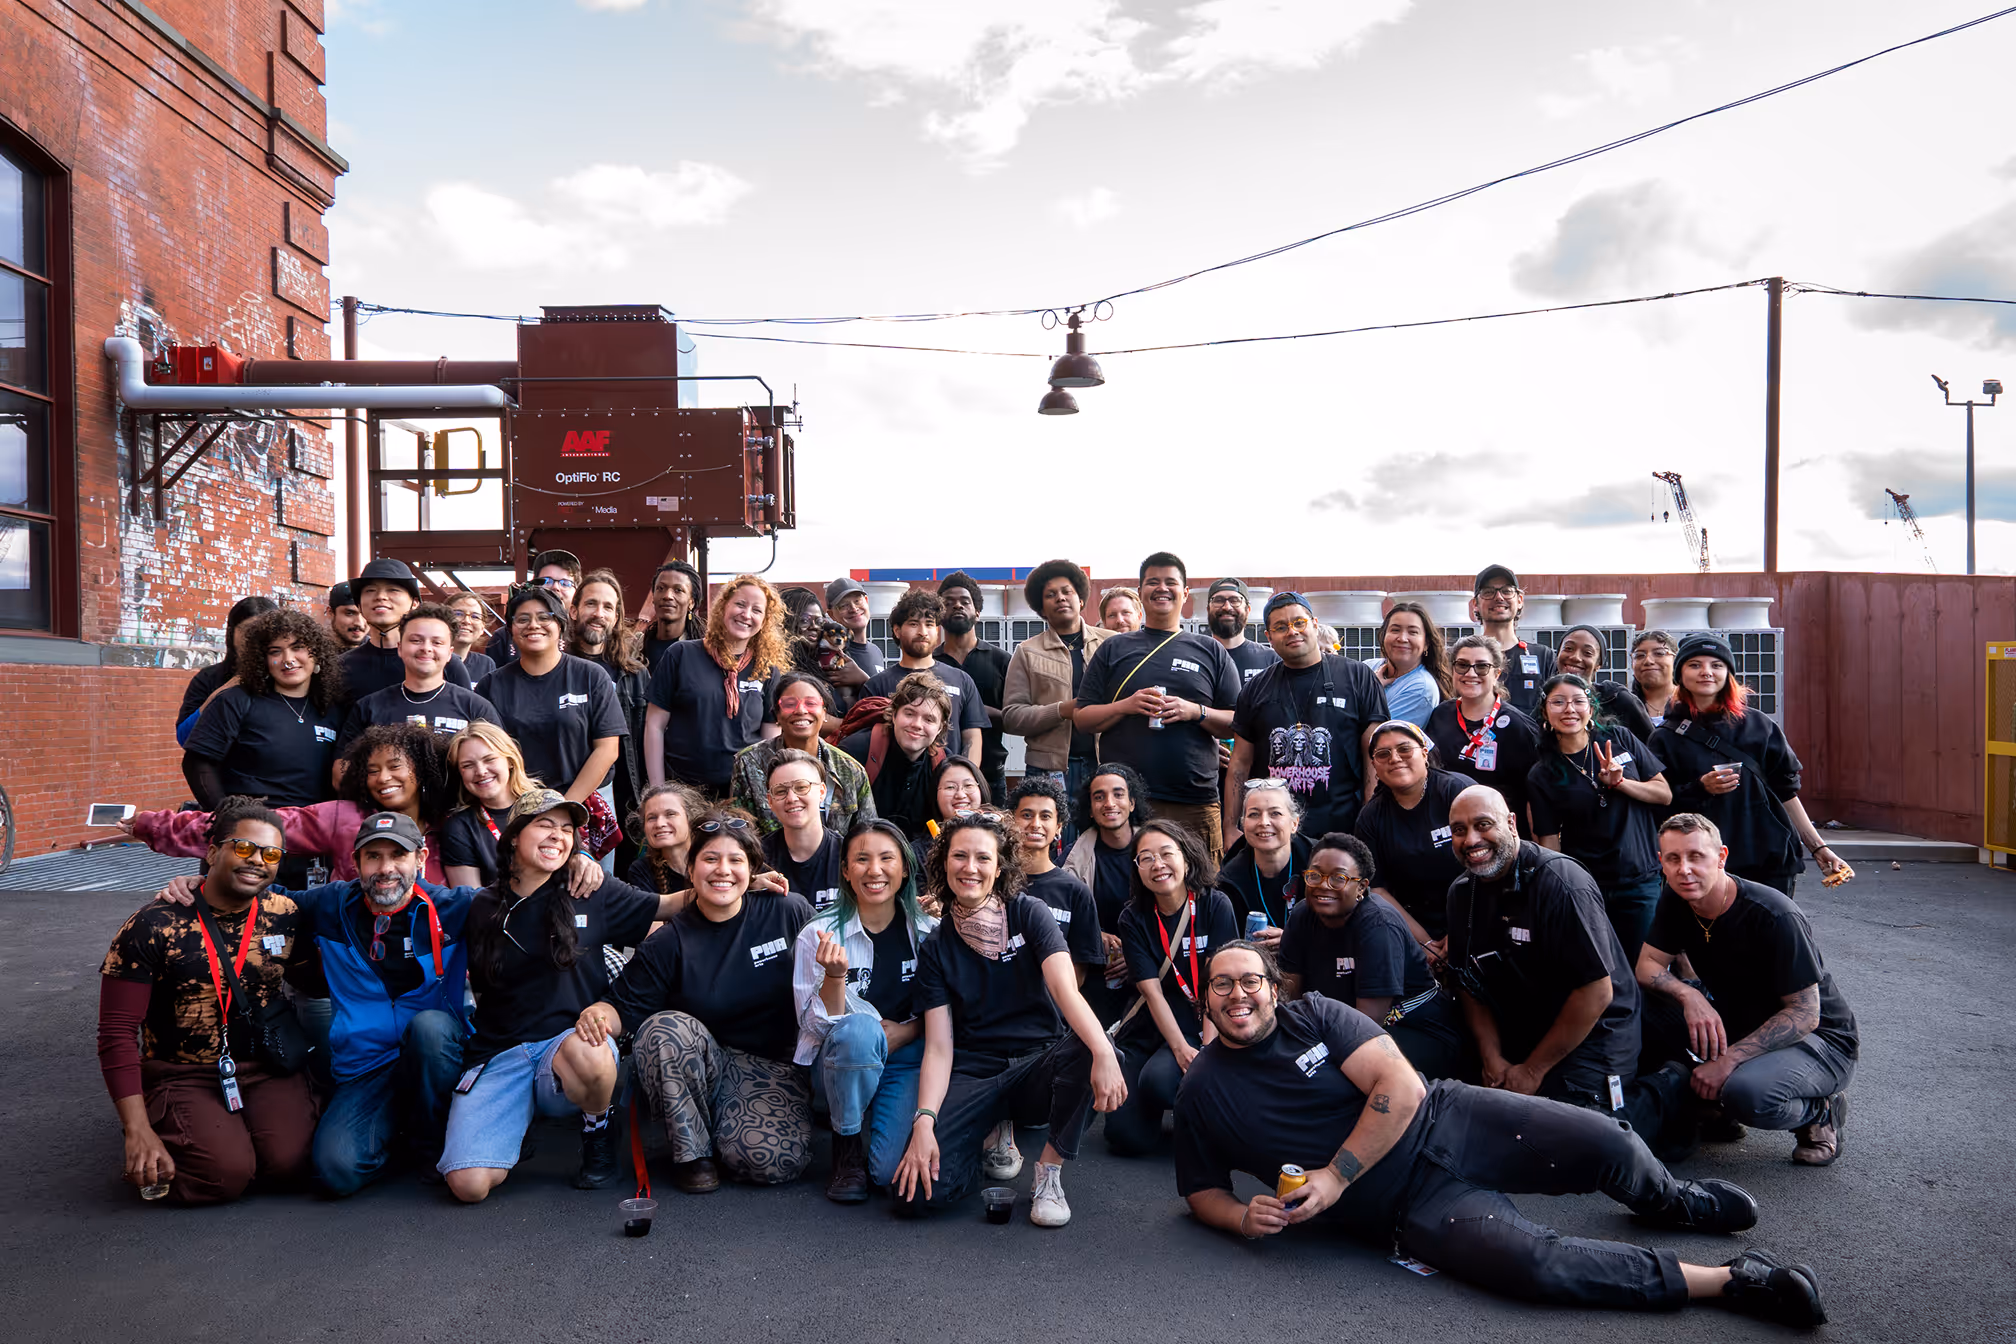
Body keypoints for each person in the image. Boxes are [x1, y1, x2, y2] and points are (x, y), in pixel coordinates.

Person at [1173, 941, 1828, 1327]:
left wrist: (1336, 1173)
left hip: (1448, 1117)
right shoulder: (1202, 1088)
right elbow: (1200, 1190)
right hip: (1404, 1207)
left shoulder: (1315, 1013)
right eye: (1223, 984)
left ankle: (1674, 1202)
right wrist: (1241, 1216)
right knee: (1531, 1264)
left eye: (1250, 980)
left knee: (1607, 1140)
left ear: (1271, 987)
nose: (1239, 994)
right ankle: (1730, 1281)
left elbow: (1397, 1088)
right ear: (1206, 999)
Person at [149, 811, 508, 1196]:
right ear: (355, 863)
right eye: (373, 857)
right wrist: (203, 881)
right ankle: (397, 1131)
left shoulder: (456, 906)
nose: (385, 869)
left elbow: (525, 894)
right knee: (335, 1172)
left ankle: (431, 1142)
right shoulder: (332, 904)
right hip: (367, 1065)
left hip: (436, 1055)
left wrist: (580, 864)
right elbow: (265, 894)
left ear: (420, 859)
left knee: (429, 1028)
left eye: (398, 856)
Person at [440, 789, 683, 1201]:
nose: (558, 836)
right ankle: (513, 1131)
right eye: (545, 825)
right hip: (500, 1053)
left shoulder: (591, 891)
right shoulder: (479, 905)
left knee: (590, 1052)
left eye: (567, 830)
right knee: (468, 1187)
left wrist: (743, 882)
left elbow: (666, 905)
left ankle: (598, 1128)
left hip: (566, 1046)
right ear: (514, 836)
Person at [890, 814, 1127, 1224]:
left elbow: (1065, 990)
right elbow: (940, 1046)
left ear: (999, 868)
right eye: (959, 856)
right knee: (918, 1198)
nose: (970, 867)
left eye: (983, 858)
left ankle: (1048, 1172)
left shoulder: (1029, 913)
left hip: (1037, 1062)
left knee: (1099, 1052)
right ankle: (986, 1135)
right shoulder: (936, 945)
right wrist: (925, 1122)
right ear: (943, 863)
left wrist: (1103, 1048)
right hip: (976, 1070)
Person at [576, 808, 817, 1192]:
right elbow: (621, 1007)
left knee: (772, 1162)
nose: (722, 869)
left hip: (771, 1065)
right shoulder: (668, 940)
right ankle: (693, 1155)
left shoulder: (787, 911)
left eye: (735, 860)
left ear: (751, 869)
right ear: (691, 870)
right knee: (662, 1029)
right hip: (698, 1065)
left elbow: (825, 980)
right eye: (710, 859)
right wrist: (597, 1013)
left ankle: (727, 1127)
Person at [97, 798, 317, 1205]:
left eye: (271, 854)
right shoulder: (153, 924)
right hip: (183, 1071)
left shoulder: (285, 913)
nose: (257, 861)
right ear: (213, 851)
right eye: (244, 848)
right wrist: (136, 1129)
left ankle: (233, 1134)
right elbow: (116, 1033)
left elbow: (314, 980)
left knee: (293, 1163)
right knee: (223, 1176)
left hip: (266, 1064)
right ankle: (164, 1128)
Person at [1639, 814, 1857, 1165]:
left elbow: (1805, 1014)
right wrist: (1690, 995)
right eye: (1673, 858)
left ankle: (1820, 1111)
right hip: (1741, 1024)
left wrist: (1727, 1062)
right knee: (1639, 1007)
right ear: (1661, 862)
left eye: (1696, 856)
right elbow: (1647, 966)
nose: (1685, 869)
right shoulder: (1678, 898)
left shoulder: (1774, 915)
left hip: (1820, 1041)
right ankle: (1711, 1107)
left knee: (1748, 1094)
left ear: (1722, 857)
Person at [1446, 786, 1642, 1113]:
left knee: (1570, 1133)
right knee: (1463, 1110)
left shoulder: (1562, 881)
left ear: (1511, 823)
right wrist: (1491, 1057)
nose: (1470, 840)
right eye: (1458, 830)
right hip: (1522, 1025)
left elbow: (1596, 992)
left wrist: (1532, 1070)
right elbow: (1466, 982)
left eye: (1483, 825)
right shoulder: (1461, 893)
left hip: (1592, 1029)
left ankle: (1668, 1089)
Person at [789, 818, 938, 1200]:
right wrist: (835, 978)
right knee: (860, 1031)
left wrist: (908, 1031)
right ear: (845, 870)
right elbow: (814, 1028)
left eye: (887, 858)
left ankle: (872, 1119)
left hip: (906, 1059)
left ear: (905, 868)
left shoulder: (929, 933)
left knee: (890, 1174)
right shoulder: (819, 934)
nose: (875, 870)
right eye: (862, 859)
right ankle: (846, 1148)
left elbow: (949, 1011)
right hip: (840, 1062)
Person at [132, 722, 462, 885]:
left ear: (423, 771)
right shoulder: (346, 818)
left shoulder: (454, 824)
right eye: (372, 771)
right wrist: (151, 825)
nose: (382, 778)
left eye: (394, 767)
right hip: (354, 963)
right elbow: (256, 827)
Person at [1075, 552, 1240, 875]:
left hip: (1194, 799)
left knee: (1200, 886)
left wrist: (1195, 711)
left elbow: (1238, 722)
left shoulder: (1210, 650)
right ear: (1141, 592)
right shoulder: (1113, 649)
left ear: (1185, 593)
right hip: (1126, 803)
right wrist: (1127, 705)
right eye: (1153, 582)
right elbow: (1082, 718)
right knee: (1128, 889)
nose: (1162, 588)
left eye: (1170, 582)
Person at [1651, 634, 1848, 897]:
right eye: (1695, 665)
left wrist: (1818, 847)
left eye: (1717, 665)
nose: (1706, 672)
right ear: (1680, 674)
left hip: (1768, 857)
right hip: (1702, 864)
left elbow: (1786, 792)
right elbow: (1658, 804)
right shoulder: (1666, 737)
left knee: (1768, 935)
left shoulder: (1759, 726)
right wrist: (1700, 788)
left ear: (1728, 673)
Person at [1276, 832, 1465, 1079]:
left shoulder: (1378, 925)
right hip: (1336, 1026)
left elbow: (1366, 1026)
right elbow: (1290, 1000)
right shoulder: (1302, 915)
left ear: (1362, 887)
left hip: (1410, 1029)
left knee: (1323, 1074)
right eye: (1315, 875)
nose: (1323, 885)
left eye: (1338, 878)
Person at [1104, 820, 1239, 1157]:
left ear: (1187, 859)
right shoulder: (1132, 918)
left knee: (1161, 1082)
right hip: (1149, 1028)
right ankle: (1169, 1105)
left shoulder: (1214, 904)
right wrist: (1179, 1050)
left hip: (1200, 1024)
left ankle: (1197, 1109)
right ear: (1137, 869)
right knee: (1125, 1137)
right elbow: (1152, 992)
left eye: (1166, 854)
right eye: (1146, 858)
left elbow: (1220, 984)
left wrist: (1208, 1053)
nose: (1157, 865)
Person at [1527, 672, 1673, 963]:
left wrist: (1621, 784)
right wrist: (1561, 889)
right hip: (1588, 884)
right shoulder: (1542, 773)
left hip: (1640, 879)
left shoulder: (1618, 739)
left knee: (1644, 965)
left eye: (1578, 701)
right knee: (1600, 966)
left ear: (1591, 709)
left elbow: (1664, 794)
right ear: (1545, 711)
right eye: (1558, 702)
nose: (1569, 709)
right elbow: (1547, 838)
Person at [1225, 592, 1388, 840]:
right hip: (1273, 834)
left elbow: (1374, 756)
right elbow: (1239, 764)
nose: (1292, 631)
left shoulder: (1357, 677)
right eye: (1280, 627)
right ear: (1268, 637)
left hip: (1343, 827)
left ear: (1314, 624)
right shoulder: (1255, 688)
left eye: (1299, 622)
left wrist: (1370, 822)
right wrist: (1230, 827)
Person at [181, 611, 344, 835]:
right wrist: (226, 817)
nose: (288, 659)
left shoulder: (332, 708)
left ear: (317, 653)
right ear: (263, 660)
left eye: (298, 647)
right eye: (275, 651)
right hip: (249, 836)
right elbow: (196, 763)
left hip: (314, 835)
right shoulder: (235, 701)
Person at [475, 585, 625, 808]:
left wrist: (564, 808)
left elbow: (608, 749)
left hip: (585, 802)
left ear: (561, 625)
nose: (533, 625)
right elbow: (486, 754)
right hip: (517, 804)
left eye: (544, 617)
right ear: (511, 630)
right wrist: (524, 805)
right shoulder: (491, 685)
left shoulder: (591, 676)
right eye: (523, 619)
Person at [645, 573, 791, 798]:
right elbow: (654, 725)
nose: (746, 614)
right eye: (740, 604)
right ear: (723, 606)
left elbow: (769, 740)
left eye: (756, 610)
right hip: (684, 791)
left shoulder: (767, 670)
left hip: (743, 793)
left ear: (765, 621)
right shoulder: (681, 654)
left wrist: (764, 793)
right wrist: (658, 789)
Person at [1001, 558, 1111, 856]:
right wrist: (1062, 709)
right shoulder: (1027, 652)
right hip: (1048, 769)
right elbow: (1012, 717)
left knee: (1107, 844)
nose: (1060, 598)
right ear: (1041, 607)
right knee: (1048, 848)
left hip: (1105, 765)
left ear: (1080, 598)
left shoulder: (1111, 644)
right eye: (1051, 594)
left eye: (1067, 591)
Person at [1354, 720, 1474, 949]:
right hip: (1411, 929)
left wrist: (1461, 930)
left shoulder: (1458, 792)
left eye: (1405, 749)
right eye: (1383, 754)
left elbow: (1490, 862)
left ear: (1424, 753)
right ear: (1374, 766)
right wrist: (1424, 943)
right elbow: (1377, 889)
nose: (1395, 758)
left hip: (1473, 916)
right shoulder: (1370, 817)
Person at [334, 602, 500, 764]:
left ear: (449, 653)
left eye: (437, 642)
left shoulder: (476, 708)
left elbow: (499, 763)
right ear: (400, 648)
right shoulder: (368, 708)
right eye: (416, 640)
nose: (426, 648)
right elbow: (340, 771)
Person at [570, 568, 654, 864]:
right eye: (591, 604)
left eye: (608, 607)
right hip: (573, 790)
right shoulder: (556, 670)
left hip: (625, 795)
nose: (599, 613)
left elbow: (647, 740)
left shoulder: (634, 674)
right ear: (574, 610)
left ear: (616, 617)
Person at [1426, 634, 1544, 834]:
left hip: (1500, 833)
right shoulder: (1440, 715)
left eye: (1482, 666)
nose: (1471, 673)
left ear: (1496, 674)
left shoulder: (1519, 727)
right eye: (1462, 665)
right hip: (1449, 829)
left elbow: (1537, 795)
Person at [728, 671, 873, 835]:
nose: (801, 710)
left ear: (824, 712)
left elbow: (866, 837)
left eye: (811, 703)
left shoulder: (850, 770)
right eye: (790, 704)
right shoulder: (748, 763)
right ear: (777, 714)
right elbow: (740, 836)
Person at [1061, 762, 1151, 1023]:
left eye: (1118, 794)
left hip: (1150, 970)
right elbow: (1056, 917)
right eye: (1099, 797)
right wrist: (1092, 933)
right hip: (1093, 973)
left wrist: (1137, 957)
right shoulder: (1072, 857)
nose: (1109, 803)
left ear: (1132, 803)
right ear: (1090, 809)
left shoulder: (1157, 854)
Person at [860, 589, 986, 763]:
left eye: (929, 624)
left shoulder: (962, 680)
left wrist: (965, 777)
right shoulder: (876, 685)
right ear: (897, 630)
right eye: (913, 624)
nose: (922, 632)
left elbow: (972, 737)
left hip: (946, 784)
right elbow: (868, 744)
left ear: (937, 630)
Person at [1009, 777, 1105, 986]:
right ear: (1011, 822)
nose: (1035, 824)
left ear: (1058, 827)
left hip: (1053, 1013)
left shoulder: (1075, 892)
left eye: (1045, 816)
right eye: (1026, 815)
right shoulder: (996, 883)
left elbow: (1079, 971)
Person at [342, 558, 475, 702]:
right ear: (359, 605)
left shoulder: (443, 662)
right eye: (370, 590)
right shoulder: (342, 666)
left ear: (415, 603)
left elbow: (469, 713)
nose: (380, 597)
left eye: (393, 590)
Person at [838, 672, 951, 840]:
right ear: (894, 714)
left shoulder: (943, 764)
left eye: (929, 719)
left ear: (940, 728)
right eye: (909, 713)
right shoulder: (856, 751)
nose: (917, 725)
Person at [437, 722, 542, 888]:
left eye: (489, 759)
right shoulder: (460, 828)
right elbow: (472, 903)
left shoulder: (545, 806)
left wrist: (583, 856)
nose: (480, 771)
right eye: (468, 765)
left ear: (510, 760)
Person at [936, 572, 1012, 801]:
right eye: (948, 603)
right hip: (937, 776)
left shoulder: (1002, 660)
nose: (957, 605)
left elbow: (1016, 718)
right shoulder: (929, 663)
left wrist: (974, 712)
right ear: (939, 614)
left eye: (964, 601)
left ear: (977, 613)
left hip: (990, 774)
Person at [1213, 778, 1313, 949]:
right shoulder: (1227, 881)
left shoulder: (1321, 863)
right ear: (1243, 825)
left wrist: (1293, 940)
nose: (1264, 822)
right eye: (1254, 814)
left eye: (1275, 813)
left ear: (1294, 823)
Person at [175, 595, 280, 743]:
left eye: (265, 632)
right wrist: (220, 695)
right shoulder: (209, 678)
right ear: (232, 633)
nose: (255, 639)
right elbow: (184, 737)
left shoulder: (286, 677)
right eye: (247, 630)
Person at [758, 749, 843, 911]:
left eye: (801, 787)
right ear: (770, 801)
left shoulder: (847, 855)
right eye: (781, 791)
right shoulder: (756, 859)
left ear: (822, 792)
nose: (791, 798)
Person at [1469, 564, 1552, 717]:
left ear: (1520, 600)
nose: (1499, 597)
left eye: (1507, 591)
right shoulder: (1464, 659)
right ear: (1475, 605)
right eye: (1488, 592)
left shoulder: (1543, 657)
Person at [1552, 623, 1656, 740]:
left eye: (1587, 653)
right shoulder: (1545, 699)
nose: (1575, 657)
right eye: (1568, 649)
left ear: (1598, 664)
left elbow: (1652, 748)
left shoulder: (1617, 698)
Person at [483, 549, 580, 667]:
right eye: (547, 581)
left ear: (577, 592)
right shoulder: (503, 637)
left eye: (565, 583)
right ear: (534, 585)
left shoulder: (583, 634)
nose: (555, 587)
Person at [1367, 599, 1451, 728]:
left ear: (1426, 644)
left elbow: (1378, 738)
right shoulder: (1367, 667)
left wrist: (1372, 690)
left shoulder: (1421, 689)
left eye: (1413, 632)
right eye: (1395, 630)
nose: (1402, 638)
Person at [626, 781, 708, 895]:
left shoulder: (713, 860)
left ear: (691, 819)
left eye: (670, 814)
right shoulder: (641, 871)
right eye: (652, 818)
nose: (659, 824)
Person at [822, 576, 886, 709]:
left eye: (857, 601)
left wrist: (864, 681)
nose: (853, 608)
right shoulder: (832, 655)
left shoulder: (876, 651)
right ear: (832, 615)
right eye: (843, 605)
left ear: (867, 602)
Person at [1204, 577, 1278, 689]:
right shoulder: (1195, 657)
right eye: (1218, 600)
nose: (1227, 607)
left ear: (1248, 610)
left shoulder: (1272, 660)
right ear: (1208, 610)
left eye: (1235, 600)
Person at [643, 560, 705, 669]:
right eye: (660, 588)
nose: (668, 596)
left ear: (692, 602)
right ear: (653, 597)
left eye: (678, 590)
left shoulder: (704, 653)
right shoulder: (634, 649)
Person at [1631, 629, 1682, 726]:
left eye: (1659, 653)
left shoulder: (1693, 704)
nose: (1648, 661)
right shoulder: (1623, 706)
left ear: (1676, 660)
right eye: (1639, 655)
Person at [446, 591, 495, 682]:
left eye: (475, 616)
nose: (467, 621)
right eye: (458, 614)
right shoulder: (431, 660)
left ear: (482, 628)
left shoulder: (485, 664)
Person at [326, 580, 368, 652]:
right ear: (330, 613)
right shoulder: (314, 654)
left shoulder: (382, 654)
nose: (359, 623)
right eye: (350, 613)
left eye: (365, 613)